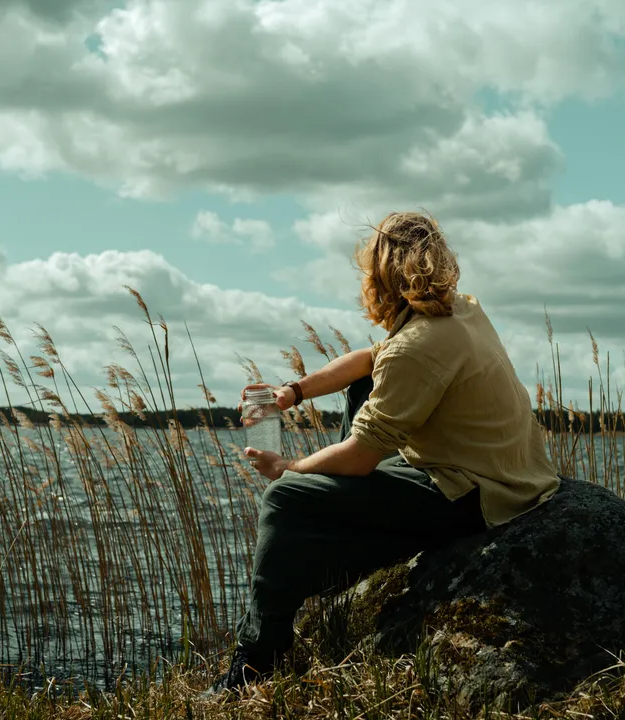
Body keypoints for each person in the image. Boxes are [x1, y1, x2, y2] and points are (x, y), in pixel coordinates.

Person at [202, 210, 561, 697]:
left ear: (381, 275)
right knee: (362, 386)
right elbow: (372, 359)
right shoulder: (460, 309)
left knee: (285, 500)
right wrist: (293, 392)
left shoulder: (417, 347)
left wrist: (287, 468)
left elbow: (358, 458)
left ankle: (255, 660)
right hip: (507, 467)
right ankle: (338, 546)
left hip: (478, 492)